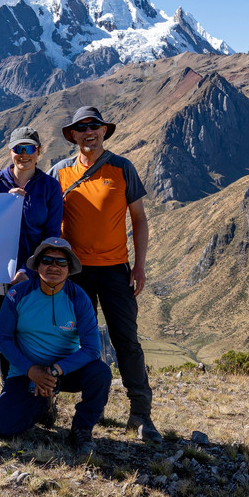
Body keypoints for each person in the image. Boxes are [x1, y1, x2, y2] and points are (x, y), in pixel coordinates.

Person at [49, 106, 162, 442]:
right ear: (73, 135)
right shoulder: (59, 172)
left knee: (126, 340)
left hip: (115, 271)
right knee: (65, 340)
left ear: (103, 131)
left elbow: (139, 219)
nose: (89, 132)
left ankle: (140, 414)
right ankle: (47, 403)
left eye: (94, 126)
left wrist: (139, 266)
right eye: (82, 128)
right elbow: (38, 209)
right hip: (73, 275)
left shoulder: (122, 168)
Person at [0, 238, 112, 454]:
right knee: (4, 429)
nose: (53, 267)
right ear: (37, 265)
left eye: (61, 262)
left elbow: (91, 349)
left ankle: (82, 429)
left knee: (100, 373)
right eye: (47, 260)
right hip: (26, 373)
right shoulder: (17, 295)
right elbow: (3, 339)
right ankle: (43, 403)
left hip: (66, 370)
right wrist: (31, 370)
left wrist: (54, 370)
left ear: (69, 268)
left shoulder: (78, 298)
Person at [0, 126, 63, 380]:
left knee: (37, 334)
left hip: (38, 274)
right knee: (6, 334)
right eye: (18, 149)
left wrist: (27, 270)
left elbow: (52, 236)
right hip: (1, 273)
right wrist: (3, 203)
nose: (24, 154)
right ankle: (11, 391)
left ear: (39, 152)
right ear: (10, 151)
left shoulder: (50, 187)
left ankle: (43, 395)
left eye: (29, 149)